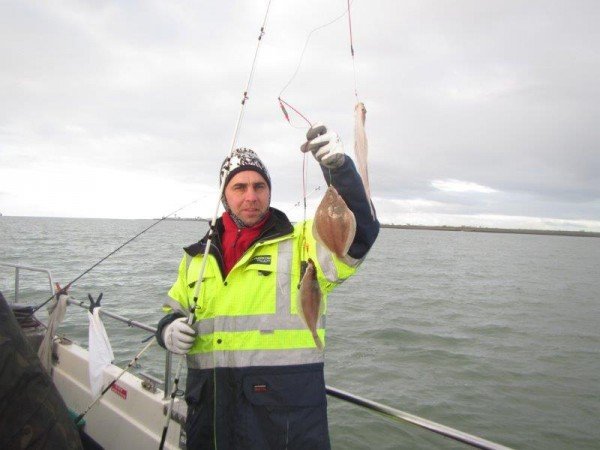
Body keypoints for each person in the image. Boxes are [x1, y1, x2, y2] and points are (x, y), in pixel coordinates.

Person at [156, 124, 379, 449]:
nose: (251, 196)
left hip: (283, 426)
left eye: (259, 186)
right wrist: (166, 330)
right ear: (224, 196)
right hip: (209, 421)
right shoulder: (196, 257)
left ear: (270, 192)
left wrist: (339, 171)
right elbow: (172, 310)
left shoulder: (303, 241)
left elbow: (361, 233)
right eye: (240, 187)